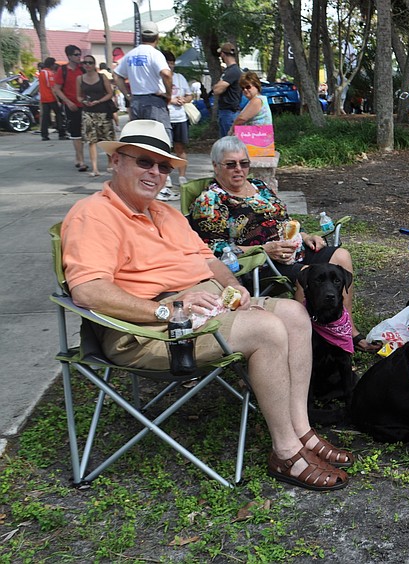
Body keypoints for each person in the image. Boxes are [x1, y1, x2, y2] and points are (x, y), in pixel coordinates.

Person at [61, 120, 352, 491]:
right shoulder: (93, 215)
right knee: (266, 329)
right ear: (117, 160)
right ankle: (285, 451)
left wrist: (234, 289)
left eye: (163, 166)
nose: (155, 173)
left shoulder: (164, 213)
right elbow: (89, 292)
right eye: (144, 162)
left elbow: (210, 260)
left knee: (294, 313)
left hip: (207, 306)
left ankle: (301, 429)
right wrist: (166, 310)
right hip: (152, 329)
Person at [188, 136, 380, 352]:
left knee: (341, 256)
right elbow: (213, 248)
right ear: (216, 166)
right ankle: (306, 341)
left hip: (291, 251)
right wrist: (264, 250)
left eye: (244, 163)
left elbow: (284, 220)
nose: (239, 170)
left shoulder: (259, 186)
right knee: (308, 274)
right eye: (230, 164)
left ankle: (347, 329)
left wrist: (305, 236)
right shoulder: (211, 200)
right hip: (258, 264)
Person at [113, 21, 172, 142]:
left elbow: (117, 76)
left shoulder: (131, 55)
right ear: (157, 37)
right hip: (154, 101)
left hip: (136, 101)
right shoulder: (155, 54)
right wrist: (168, 94)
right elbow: (166, 74)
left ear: (141, 36)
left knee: (141, 139)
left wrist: (127, 95)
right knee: (160, 139)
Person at [76, 55, 115, 177]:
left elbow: (110, 93)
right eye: (85, 63)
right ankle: (94, 168)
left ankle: (110, 163)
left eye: (90, 62)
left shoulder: (102, 77)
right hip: (88, 112)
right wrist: (84, 102)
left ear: (94, 64)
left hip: (103, 111)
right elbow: (78, 96)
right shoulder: (80, 79)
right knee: (91, 140)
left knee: (107, 139)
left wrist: (99, 101)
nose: (87, 65)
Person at [162, 50, 192, 195]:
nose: (170, 66)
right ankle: (165, 176)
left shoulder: (180, 78)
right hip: (165, 117)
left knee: (180, 148)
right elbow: (156, 94)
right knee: (164, 149)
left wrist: (183, 99)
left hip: (180, 117)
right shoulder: (158, 78)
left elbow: (189, 95)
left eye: (172, 63)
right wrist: (171, 100)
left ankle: (182, 176)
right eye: (167, 63)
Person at [53, 45, 87, 171]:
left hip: (84, 105)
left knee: (84, 134)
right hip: (71, 106)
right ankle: (81, 160)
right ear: (69, 56)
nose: (79, 57)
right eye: (76, 55)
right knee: (76, 133)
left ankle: (78, 157)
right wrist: (67, 102)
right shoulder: (63, 70)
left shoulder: (83, 69)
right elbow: (57, 88)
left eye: (80, 54)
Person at [212, 42, 242, 137]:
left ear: (223, 54)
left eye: (221, 54)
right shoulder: (230, 70)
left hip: (229, 113)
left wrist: (216, 87)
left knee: (229, 144)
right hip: (228, 113)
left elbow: (217, 90)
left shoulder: (232, 71)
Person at [38, 57, 66, 141]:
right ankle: (61, 133)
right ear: (51, 64)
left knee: (45, 117)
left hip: (44, 98)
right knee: (59, 115)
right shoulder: (49, 73)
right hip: (51, 98)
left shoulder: (41, 73)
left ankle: (44, 134)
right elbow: (53, 88)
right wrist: (58, 100)